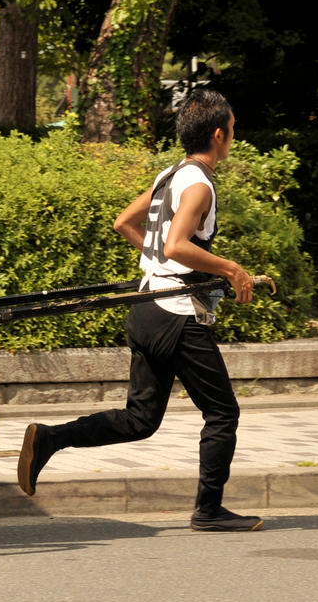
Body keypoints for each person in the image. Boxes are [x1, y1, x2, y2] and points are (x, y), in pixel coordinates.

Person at [17, 88, 268, 532]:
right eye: (233, 129)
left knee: (140, 420)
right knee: (223, 412)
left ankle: (50, 439)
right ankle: (209, 510)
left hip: (148, 307)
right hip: (176, 316)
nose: (233, 135)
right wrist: (231, 269)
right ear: (218, 134)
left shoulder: (171, 174)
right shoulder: (200, 184)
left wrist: (163, 268)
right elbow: (176, 244)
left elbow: (124, 223)